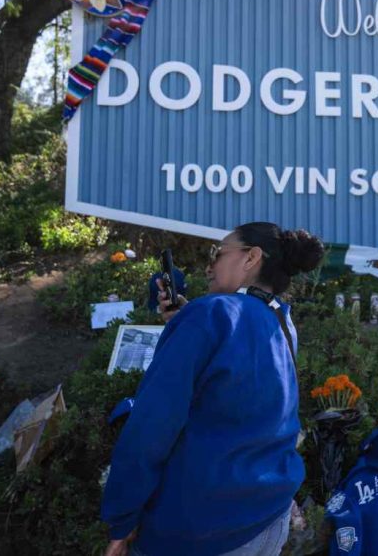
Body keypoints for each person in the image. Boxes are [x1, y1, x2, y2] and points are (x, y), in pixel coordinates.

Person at [101, 222, 325, 556]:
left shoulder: (207, 316)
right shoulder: (281, 320)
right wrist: (184, 320)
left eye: (217, 254)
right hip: (269, 518)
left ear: (251, 258)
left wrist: (122, 519)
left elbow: (151, 428)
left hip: (200, 529)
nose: (209, 265)